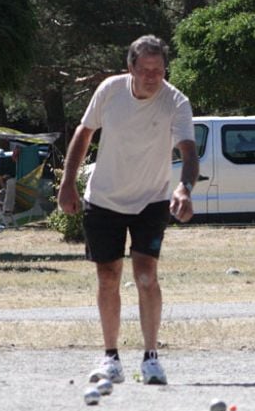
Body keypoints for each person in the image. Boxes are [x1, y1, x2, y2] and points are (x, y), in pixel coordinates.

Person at [58, 35, 198, 386]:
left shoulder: (176, 102)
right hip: (104, 198)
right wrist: (67, 182)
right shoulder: (110, 91)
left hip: (151, 199)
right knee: (108, 276)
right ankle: (111, 358)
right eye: (146, 70)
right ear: (131, 68)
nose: (153, 77)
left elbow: (188, 151)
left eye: (159, 70)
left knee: (146, 276)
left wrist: (185, 187)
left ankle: (151, 357)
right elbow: (84, 132)